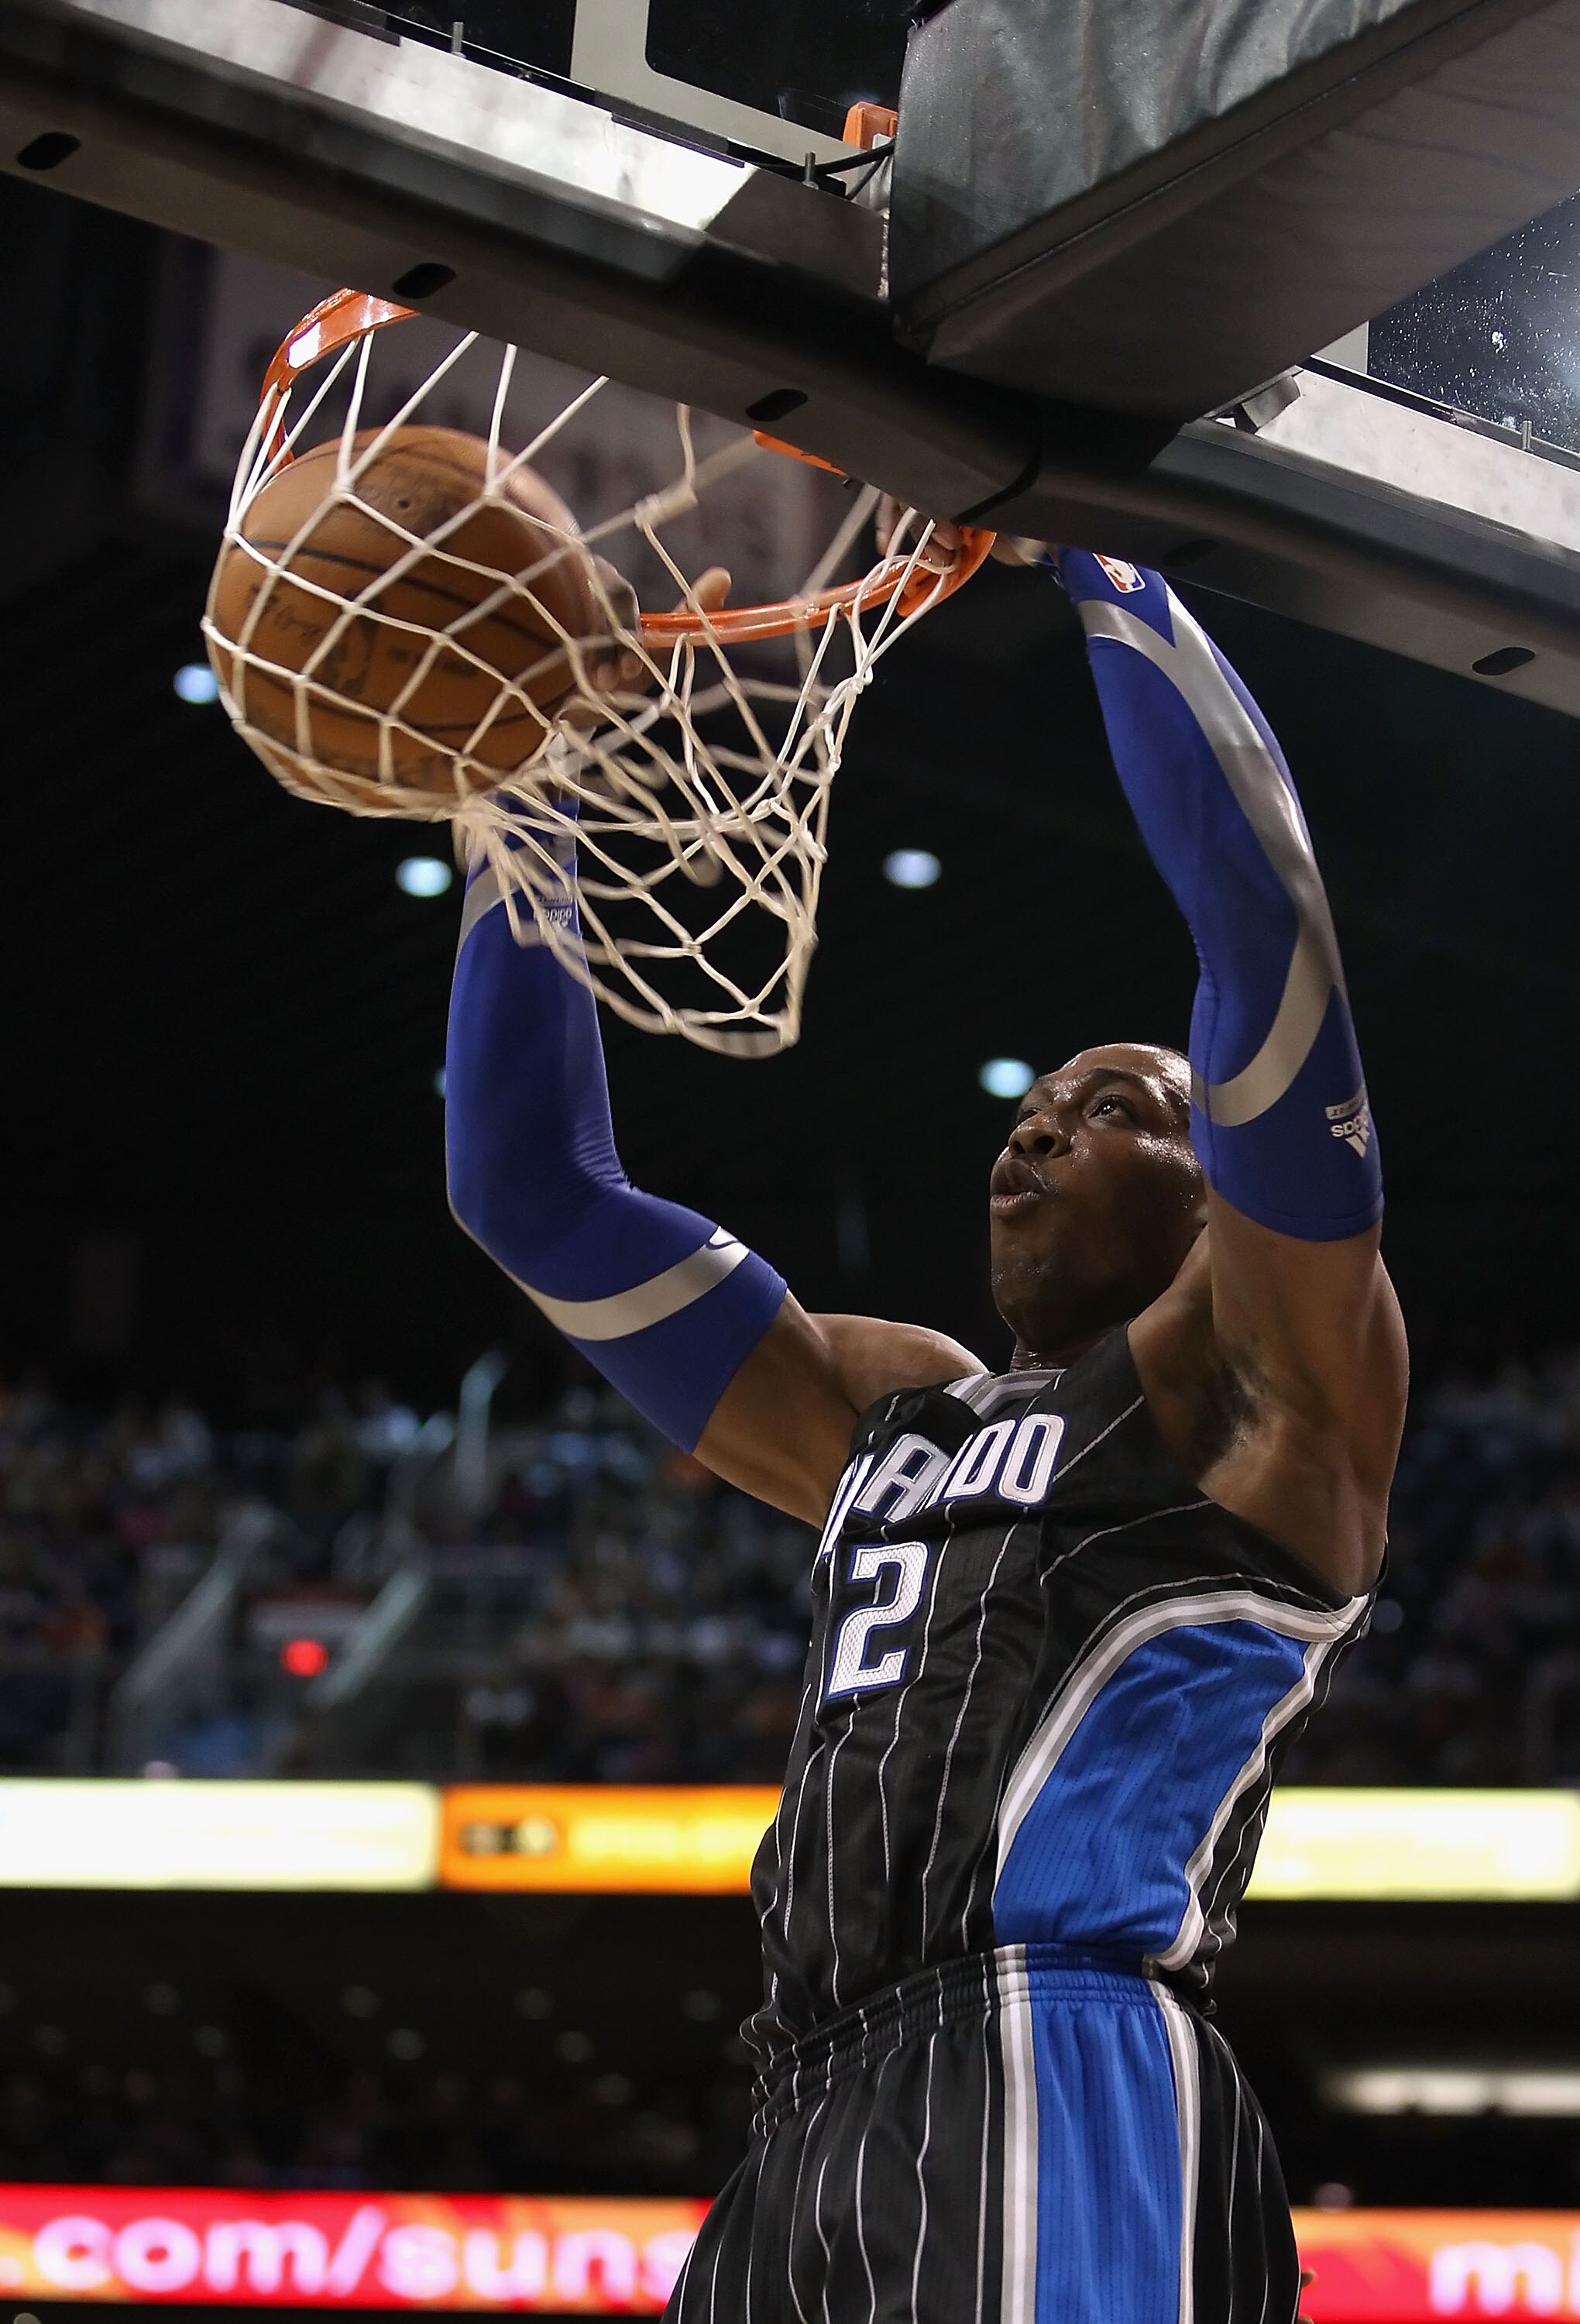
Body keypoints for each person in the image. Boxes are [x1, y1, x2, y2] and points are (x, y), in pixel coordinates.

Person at [445, 545, 1407, 2323]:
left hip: (1063, 2063)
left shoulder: (1258, 1391)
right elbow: (533, 1191)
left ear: (1221, 1204)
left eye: (1108, 1111)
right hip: (808, 2103)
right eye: (1028, 1111)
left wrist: (1098, 548)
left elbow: (1268, 962)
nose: (1034, 1135)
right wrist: (530, 775)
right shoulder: (887, 1413)